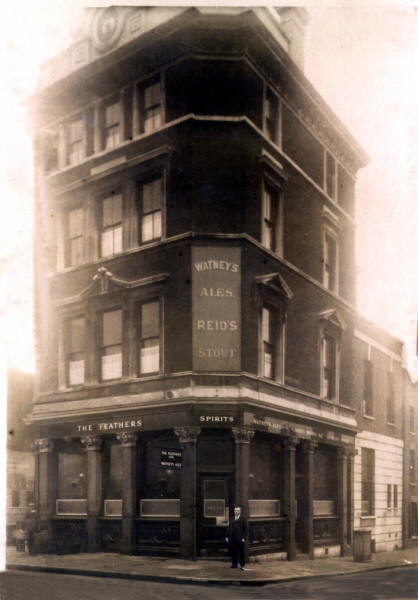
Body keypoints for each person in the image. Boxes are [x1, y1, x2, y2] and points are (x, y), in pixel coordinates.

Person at [225, 505, 248, 570]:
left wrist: (244, 538)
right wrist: (227, 536)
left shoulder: (243, 519)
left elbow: (245, 529)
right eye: (235, 510)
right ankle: (234, 564)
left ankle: (242, 565)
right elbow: (228, 528)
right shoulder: (232, 518)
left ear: (240, 511)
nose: (236, 511)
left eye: (238, 510)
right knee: (233, 551)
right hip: (233, 538)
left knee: (241, 552)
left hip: (240, 538)